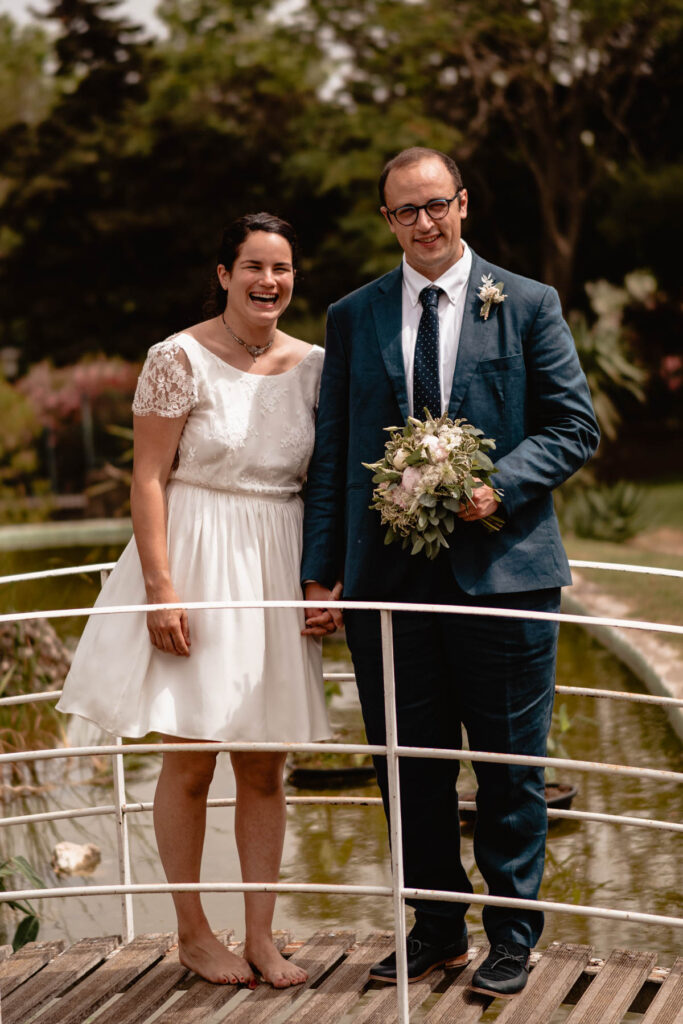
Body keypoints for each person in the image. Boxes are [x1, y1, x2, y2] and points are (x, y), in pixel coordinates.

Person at [301, 148, 600, 997]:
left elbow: (573, 427)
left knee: (509, 770)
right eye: (405, 211)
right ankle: (435, 930)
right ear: (387, 220)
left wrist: (493, 485)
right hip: (386, 590)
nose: (424, 223)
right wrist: (321, 575)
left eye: (436, 204)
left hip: (505, 576)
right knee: (406, 768)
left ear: (462, 204)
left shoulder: (528, 303)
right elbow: (334, 458)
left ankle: (511, 937)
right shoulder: (353, 316)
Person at [58, 212, 332, 989]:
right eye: (251, 266)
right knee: (189, 761)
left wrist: (320, 579)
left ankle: (261, 936)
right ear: (223, 274)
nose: (267, 282)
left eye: (280, 268)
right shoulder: (175, 357)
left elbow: (323, 481)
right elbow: (148, 477)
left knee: (264, 764)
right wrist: (161, 590)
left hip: (276, 561)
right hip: (198, 556)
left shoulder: (314, 364)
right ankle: (191, 932)